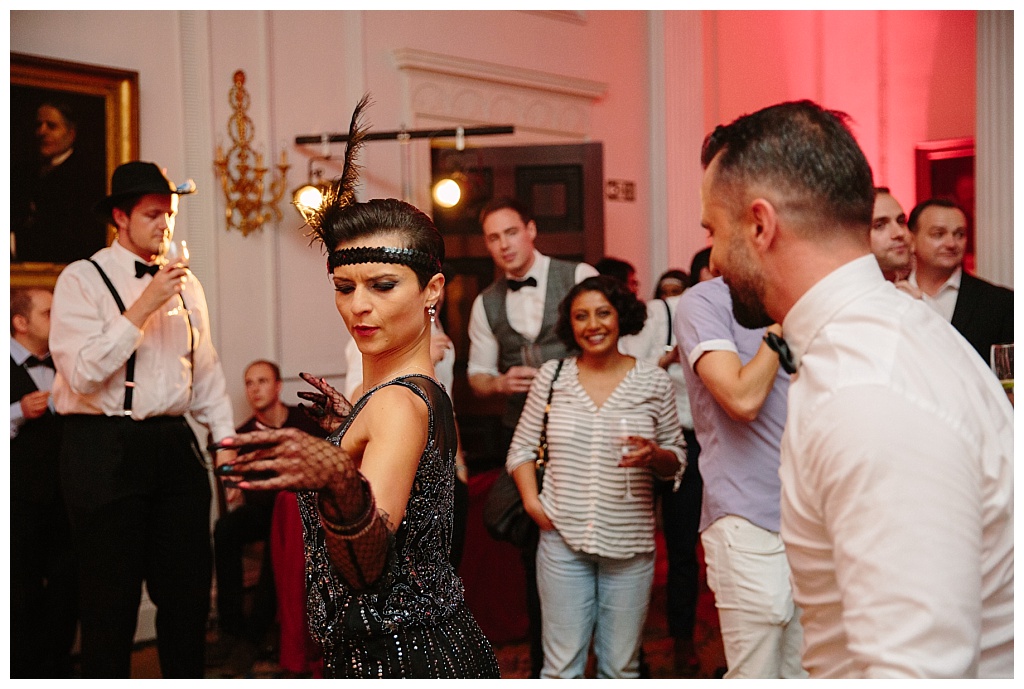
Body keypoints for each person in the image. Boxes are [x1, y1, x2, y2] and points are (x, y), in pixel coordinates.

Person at [699, 99, 1013, 677]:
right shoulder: (889, 336)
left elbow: (915, 669)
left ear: (760, 225)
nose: (713, 257)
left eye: (714, 230)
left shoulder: (868, 388)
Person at [215, 97, 500, 679]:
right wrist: (349, 430)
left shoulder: (397, 402)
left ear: (432, 291)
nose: (359, 305)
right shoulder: (409, 393)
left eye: (383, 284)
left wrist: (338, 473)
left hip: (404, 661)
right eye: (344, 286)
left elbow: (367, 567)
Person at [49, 161, 236, 678]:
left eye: (169, 214)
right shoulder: (81, 280)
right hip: (102, 448)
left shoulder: (188, 285)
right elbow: (83, 375)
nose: (165, 225)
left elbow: (206, 372)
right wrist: (142, 309)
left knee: (187, 595)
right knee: (109, 603)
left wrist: (226, 449)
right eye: (153, 214)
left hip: (174, 448)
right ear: (119, 216)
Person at [507, 275, 686, 678]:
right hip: (561, 541)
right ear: (570, 325)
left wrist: (656, 455)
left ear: (620, 317)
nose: (593, 325)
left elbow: (678, 458)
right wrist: (534, 504)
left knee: (621, 668)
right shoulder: (552, 378)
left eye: (603, 313)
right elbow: (520, 449)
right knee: (560, 668)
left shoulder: (653, 380)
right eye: (581, 316)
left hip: (630, 543)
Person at [467, 196, 598, 677]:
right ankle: (550, 666)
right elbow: (478, 375)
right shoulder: (486, 303)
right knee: (537, 547)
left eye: (510, 233)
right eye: (493, 238)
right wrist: (499, 383)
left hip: (584, 432)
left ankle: (618, 660)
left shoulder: (579, 276)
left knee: (595, 536)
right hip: (523, 438)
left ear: (532, 229)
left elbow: (614, 344)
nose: (503, 245)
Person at [675, 269, 805, 679]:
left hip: (820, 517)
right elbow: (742, 398)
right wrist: (782, 321)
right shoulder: (706, 302)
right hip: (749, 520)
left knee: (811, 672)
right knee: (757, 675)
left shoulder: (816, 294)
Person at [608, 257, 704, 677]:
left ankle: (683, 641)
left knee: (684, 549)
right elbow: (624, 372)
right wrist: (667, 359)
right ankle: (632, 647)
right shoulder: (654, 317)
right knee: (631, 545)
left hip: (693, 441)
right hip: (641, 438)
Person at [209, 359, 325, 676]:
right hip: (266, 508)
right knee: (225, 529)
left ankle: (253, 636)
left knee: (280, 541)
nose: (255, 388)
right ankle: (231, 629)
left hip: (304, 512)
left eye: (262, 381)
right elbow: (241, 479)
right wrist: (233, 480)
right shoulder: (245, 433)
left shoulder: (304, 421)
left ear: (277, 386)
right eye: (249, 383)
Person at [9, 287, 78, 678]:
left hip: (64, 499)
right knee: (21, 592)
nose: (58, 320)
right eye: (49, 313)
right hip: (17, 503)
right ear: (21, 323)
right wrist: (17, 410)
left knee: (68, 587)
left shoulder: (65, 362)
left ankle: (59, 667)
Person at [907, 197, 1014, 362]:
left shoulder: (1000, 303)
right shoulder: (893, 294)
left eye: (959, 234)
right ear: (911, 240)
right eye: (938, 234)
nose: (951, 243)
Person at [13, 100, 108, 263]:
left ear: (71, 134)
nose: (41, 132)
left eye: (51, 126)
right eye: (39, 125)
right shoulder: (29, 171)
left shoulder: (83, 176)